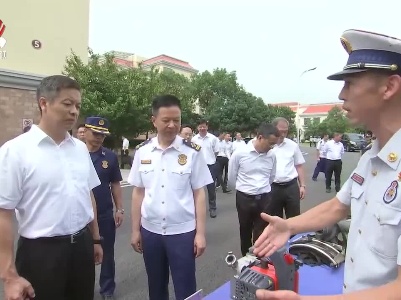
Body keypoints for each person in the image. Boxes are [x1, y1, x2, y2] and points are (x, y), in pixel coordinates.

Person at [253, 29, 401, 300]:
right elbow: (339, 206)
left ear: (389, 87)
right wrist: (290, 226)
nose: (342, 94)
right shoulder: (371, 157)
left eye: (350, 83)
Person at [0, 75, 103, 300]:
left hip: (81, 247)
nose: (74, 112)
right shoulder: (15, 151)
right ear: (44, 104)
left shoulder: (80, 149)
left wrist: (95, 239)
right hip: (40, 254)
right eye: (67, 104)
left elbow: (88, 194)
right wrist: (9, 276)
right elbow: (3, 213)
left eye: (77, 106)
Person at [128, 95, 213, 300]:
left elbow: (199, 194)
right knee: (156, 288)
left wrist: (200, 233)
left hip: (182, 232)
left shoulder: (192, 152)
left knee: (186, 288)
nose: (172, 125)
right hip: (151, 231)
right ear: (154, 120)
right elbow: (138, 192)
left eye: (177, 120)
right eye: (166, 120)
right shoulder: (143, 152)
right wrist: (135, 230)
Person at [84, 116, 124, 300]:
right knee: (82, 255)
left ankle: (107, 289)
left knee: (107, 253)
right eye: (96, 133)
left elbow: (115, 184)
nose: (99, 137)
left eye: (103, 134)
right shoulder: (75, 153)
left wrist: (120, 209)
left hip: (104, 213)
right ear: (85, 131)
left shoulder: (109, 156)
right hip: (80, 215)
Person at [228, 123, 279, 256]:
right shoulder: (240, 153)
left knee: (262, 232)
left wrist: (261, 189)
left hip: (264, 198)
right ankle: (246, 259)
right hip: (244, 198)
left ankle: (259, 259)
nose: (272, 147)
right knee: (245, 230)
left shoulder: (272, 155)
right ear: (260, 137)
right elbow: (232, 177)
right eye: (270, 143)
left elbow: (271, 176)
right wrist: (245, 189)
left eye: (274, 144)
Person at [269, 117, 306, 219]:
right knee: (275, 218)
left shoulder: (293, 146)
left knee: (294, 218)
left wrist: (302, 185)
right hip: (273, 188)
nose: (283, 134)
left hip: (291, 187)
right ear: (273, 129)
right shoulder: (267, 146)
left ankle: (294, 236)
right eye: (281, 131)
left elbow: (299, 166)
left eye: (285, 131)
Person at [192, 120, 219, 218]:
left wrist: (211, 159)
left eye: (204, 126)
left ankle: (213, 208)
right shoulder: (194, 139)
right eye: (200, 127)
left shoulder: (213, 138)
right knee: (197, 188)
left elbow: (216, 152)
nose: (202, 128)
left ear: (207, 127)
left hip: (210, 165)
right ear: (197, 128)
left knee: (211, 188)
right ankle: (196, 209)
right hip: (197, 166)